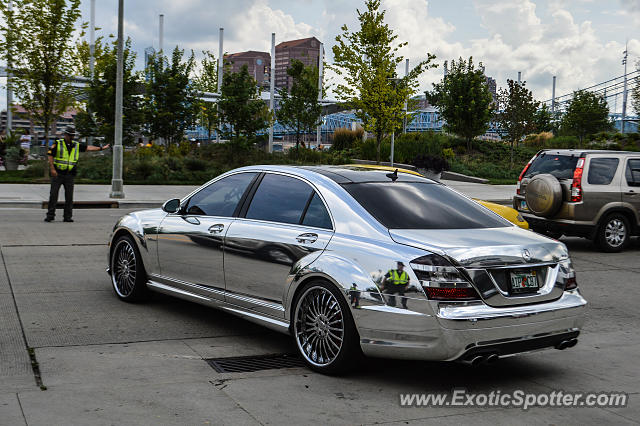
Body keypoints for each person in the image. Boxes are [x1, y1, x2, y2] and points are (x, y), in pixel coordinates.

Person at [44, 126, 109, 222]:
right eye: (70, 135)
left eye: (73, 135)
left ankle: (67, 217)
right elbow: (50, 156)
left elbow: (88, 148)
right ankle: (50, 215)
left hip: (70, 174)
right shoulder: (58, 143)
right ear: (65, 135)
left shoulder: (76, 145)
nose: (71, 137)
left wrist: (101, 148)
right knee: (53, 195)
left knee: (69, 197)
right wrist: (52, 169)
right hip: (57, 174)